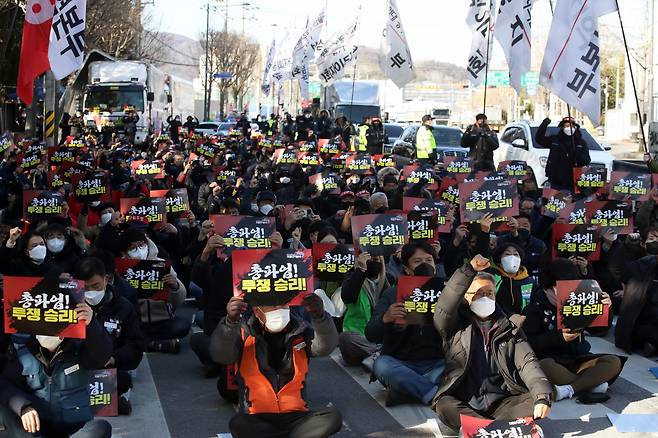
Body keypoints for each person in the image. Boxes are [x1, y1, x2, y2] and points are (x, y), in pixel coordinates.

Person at [432, 254, 552, 431]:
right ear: (466, 296)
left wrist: (542, 396)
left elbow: (528, 363)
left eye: (489, 293)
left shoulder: (510, 327)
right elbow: (445, 306)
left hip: (504, 402)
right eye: (479, 293)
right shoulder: (454, 325)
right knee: (444, 406)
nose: (485, 298)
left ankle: (483, 428)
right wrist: (469, 270)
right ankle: (496, 429)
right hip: (466, 402)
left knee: (539, 397)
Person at [209, 294, 341, 438]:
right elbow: (221, 355)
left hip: (297, 417)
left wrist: (320, 316)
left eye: (283, 305)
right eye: (272, 306)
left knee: (332, 417)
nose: (278, 309)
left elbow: (325, 347)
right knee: (238, 423)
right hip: (257, 418)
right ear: (257, 311)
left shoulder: (301, 330)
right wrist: (230, 322)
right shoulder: (243, 333)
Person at [0, 301, 113, 438]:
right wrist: (23, 406)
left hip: (74, 428)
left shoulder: (80, 348)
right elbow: (5, 384)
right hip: (37, 429)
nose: (48, 332)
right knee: (5, 412)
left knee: (100, 428)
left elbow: (102, 356)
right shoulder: (23, 353)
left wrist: (91, 324)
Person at [522, 259, 622, 402]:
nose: (565, 295)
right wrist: (559, 337)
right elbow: (528, 343)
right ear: (546, 288)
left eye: (569, 289)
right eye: (559, 290)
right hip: (551, 360)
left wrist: (606, 309)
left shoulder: (580, 302)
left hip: (578, 360)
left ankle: (569, 389)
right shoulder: (533, 309)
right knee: (544, 366)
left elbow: (599, 330)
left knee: (613, 362)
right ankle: (590, 384)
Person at [366, 242, 445, 406]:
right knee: (381, 365)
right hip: (402, 363)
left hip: (438, 364)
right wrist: (385, 319)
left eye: (429, 260)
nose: (425, 264)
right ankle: (434, 394)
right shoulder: (392, 294)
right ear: (407, 269)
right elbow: (370, 333)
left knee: (458, 370)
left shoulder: (447, 292)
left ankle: (406, 391)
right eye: (417, 261)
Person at [74, 255, 146, 415]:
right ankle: (109, 400)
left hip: (108, 368)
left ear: (106, 280)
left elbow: (136, 345)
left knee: (124, 380)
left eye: (96, 286)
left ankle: (107, 398)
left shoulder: (124, 307)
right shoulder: (68, 305)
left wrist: (114, 357)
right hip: (75, 369)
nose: (91, 293)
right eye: (85, 288)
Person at [118, 228, 189, 353]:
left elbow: (179, 300)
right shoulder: (121, 271)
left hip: (161, 320)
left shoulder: (161, 265)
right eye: (133, 248)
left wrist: (175, 286)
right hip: (136, 322)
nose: (139, 251)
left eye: (141, 245)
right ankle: (153, 344)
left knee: (182, 326)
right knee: (121, 331)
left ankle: (145, 343)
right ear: (124, 252)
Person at [338, 251, 389, 366]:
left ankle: (376, 355)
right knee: (345, 338)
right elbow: (347, 295)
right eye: (369, 260)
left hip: (382, 338)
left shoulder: (388, 280)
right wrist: (361, 270)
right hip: (359, 340)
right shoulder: (352, 278)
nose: (372, 263)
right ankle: (379, 353)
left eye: (376, 261)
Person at [535, 117, 591, 191]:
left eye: (571, 126)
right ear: (562, 127)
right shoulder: (555, 140)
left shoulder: (580, 143)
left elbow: (587, 160)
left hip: (573, 181)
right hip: (555, 181)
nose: (569, 128)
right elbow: (539, 139)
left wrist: (577, 154)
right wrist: (544, 125)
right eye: (567, 126)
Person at [488, 242, 536, 315]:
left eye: (516, 254)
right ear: (499, 260)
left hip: (523, 322)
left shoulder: (529, 282)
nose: (512, 257)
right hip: (499, 321)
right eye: (507, 254)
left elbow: (532, 305)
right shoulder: (493, 278)